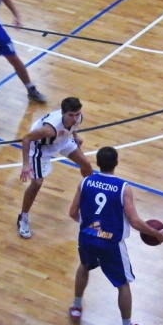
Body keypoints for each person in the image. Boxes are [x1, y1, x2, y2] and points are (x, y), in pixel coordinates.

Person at [68, 147, 163, 325]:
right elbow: (135, 222)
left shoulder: (85, 182)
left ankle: (76, 306)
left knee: (84, 266)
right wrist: (157, 234)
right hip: (110, 244)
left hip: (87, 237)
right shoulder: (123, 188)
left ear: (97, 163)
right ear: (116, 163)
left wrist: (89, 227)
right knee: (123, 285)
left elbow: (72, 213)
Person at [18, 97, 93, 239]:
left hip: (62, 140)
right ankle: (23, 217)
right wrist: (26, 164)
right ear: (63, 113)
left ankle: (91, 194)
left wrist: (75, 136)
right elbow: (26, 138)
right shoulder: (49, 129)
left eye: (77, 114)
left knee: (86, 164)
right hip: (40, 147)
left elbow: (72, 126)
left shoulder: (78, 117)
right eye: (71, 115)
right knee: (37, 183)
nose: (75, 118)